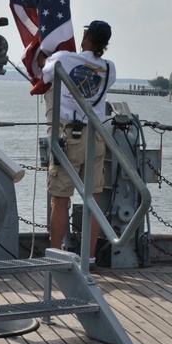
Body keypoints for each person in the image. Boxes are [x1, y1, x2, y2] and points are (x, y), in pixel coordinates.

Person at [40, 20, 116, 263]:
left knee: (61, 198)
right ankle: (89, 257)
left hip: (69, 137)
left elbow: (45, 70)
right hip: (96, 136)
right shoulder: (108, 68)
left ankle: (56, 255)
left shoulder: (64, 58)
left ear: (85, 36)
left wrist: (41, 51)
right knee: (92, 198)